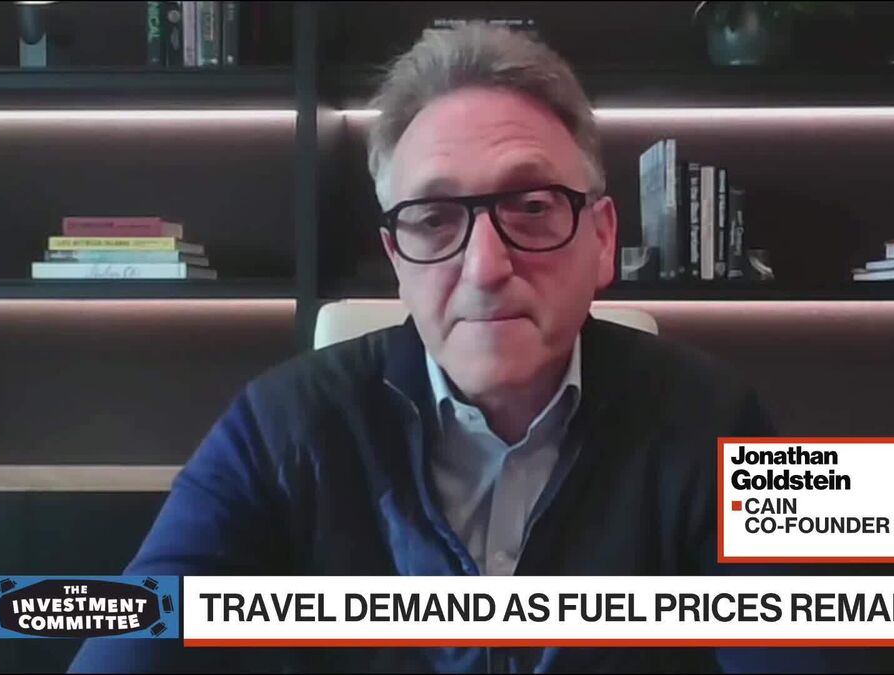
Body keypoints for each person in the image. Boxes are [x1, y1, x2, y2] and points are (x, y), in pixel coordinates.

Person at [70, 24, 785, 674]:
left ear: (601, 240)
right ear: (396, 259)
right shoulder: (277, 429)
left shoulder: (723, 419)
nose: (485, 267)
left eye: (533, 208)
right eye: (434, 219)